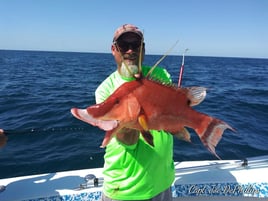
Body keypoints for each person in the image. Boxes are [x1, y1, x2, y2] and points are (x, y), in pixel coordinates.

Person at [95, 24, 175, 201]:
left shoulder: (161, 75)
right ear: (114, 49)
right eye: (124, 45)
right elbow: (128, 140)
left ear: (143, 49)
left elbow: (170, 118)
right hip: (125, 190)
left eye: (136, 44)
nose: (130, 50)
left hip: (163, 183)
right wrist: (131, 115)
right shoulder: (105, 91)